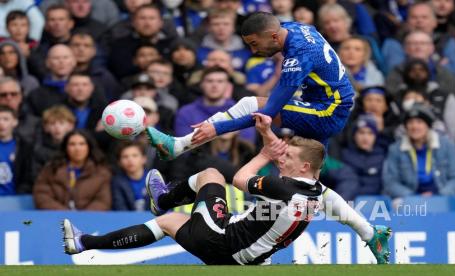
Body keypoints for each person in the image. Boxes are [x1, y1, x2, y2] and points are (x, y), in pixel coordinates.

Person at [62, 113, 391, 264]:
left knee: (211, 174)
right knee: (166, 225)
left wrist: (263, 152)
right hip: (241, 255)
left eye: (287, 156)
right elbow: (343, 211)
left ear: (303, 167)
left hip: (222, 241)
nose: (281, 158)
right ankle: (83, 241)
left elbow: (239, 179)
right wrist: (367, 232)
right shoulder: (317, 192)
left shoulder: (282, 186)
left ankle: (163, 197)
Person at [146, 12, 354, 161]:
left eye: (255, 44)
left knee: (250, 103)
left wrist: (216, 128)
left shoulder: (300, 56)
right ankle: (364, 225)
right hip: (324, 103)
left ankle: (179, 144)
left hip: (328, 112)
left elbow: (267, 113)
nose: (254, 51)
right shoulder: (296, 28)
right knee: (305, 179)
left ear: (274, 37)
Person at [383, 103, 455, 198]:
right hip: (409, 198)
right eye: (410, 122)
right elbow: (391, 182)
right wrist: (413, 197)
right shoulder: (396, 149)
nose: (414, 127)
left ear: (428, 126)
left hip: (443, 197)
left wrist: (441, 195)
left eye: (419, 122)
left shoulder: (447, 145)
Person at [33, 129, 111, 210]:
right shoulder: (51, 169)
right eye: (72, 144)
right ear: (66, 147)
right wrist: (65, 215)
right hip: (57, 219)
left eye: (82, 144)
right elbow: (42, 195)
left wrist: (83, 218)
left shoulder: (101, 173)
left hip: (89, 220)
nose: (77, 148)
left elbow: (102, 201)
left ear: (89, 147)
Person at [0, 105, 31, 195]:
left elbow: (28, 176)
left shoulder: (25, 147)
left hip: (16, 201)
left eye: (5, 119)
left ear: (15, 122)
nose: (1, 123)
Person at [111, 140, 150, 211]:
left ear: (144, 159)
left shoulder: (155, 179)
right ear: (119, 162)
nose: (130, 160)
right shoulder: (116, 182)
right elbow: (120, 208)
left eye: (135, 155)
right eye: (125, 157)